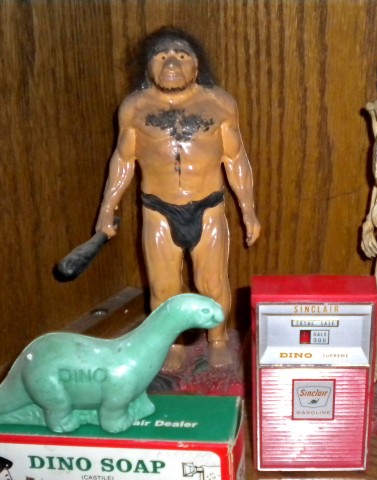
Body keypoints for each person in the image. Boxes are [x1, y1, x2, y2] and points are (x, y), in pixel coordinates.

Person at [95, 28, 260, 370]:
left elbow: (235, 158)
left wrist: (248, 211)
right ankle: (170, 341)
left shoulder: (220, 104)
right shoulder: (134, 108)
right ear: (148, 66)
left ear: (197, 66)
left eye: (181, 56)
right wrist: (107, 209)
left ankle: (217, 338)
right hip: (158, 210)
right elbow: (123, 160)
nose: (171, 63)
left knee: (212, 282)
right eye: (162, 56)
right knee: (163, 286)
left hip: (207, 207)